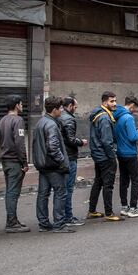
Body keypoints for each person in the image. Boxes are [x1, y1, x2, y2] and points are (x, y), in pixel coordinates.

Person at [33, 96, 74, 233]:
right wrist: (62, 161)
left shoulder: (41, 122)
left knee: (43, 194)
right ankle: (59, 224)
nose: (62, 111)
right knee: (60, 193)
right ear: (55, 109)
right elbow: (53, 147)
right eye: (60, 108)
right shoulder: (51, 124)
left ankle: (43, 223)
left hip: (42, 164)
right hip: (53, 165)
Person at [0, 95, 30, 233]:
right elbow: (19, 143)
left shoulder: (2, 120)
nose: (22, 106)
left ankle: (13, 220)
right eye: (21, 104)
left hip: (5, 160)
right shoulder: (18, 120)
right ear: (17, 105)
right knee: (13, 192)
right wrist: (24, 162)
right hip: (14, 161)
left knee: (10, 190)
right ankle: (11, 223)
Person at [88, 91, 122, 221]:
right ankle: (109, 213)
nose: (115, 104)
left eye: (115, 101)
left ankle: (92, 210)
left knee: (98, 182)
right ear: (104, 102)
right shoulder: (104, 118)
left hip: (98, 154)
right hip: (105, 156)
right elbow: (107, 141)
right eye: (112, 101)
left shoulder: (98, 114)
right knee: (108, 185)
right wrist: (112, 157)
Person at [114, 96, 138, 218]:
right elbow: (133, 137)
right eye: (136, 108)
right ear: (132, 105)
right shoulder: (128, 118)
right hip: (130, 153)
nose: (136, 111)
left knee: (124, 180)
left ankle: (124, 206)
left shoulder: (117, 116)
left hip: (120, 152)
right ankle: (133, 207)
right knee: (136, 180)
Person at [59, 96, 87, 226]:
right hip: (69, 157)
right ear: (69, 106)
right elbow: (70, 139)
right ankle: (68, 217)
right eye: (75, 107)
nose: (75, 109)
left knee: (63, 189)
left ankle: (64, 216)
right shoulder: (69, 119)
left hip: (62, 156)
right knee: (68, 189)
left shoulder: (59, 117)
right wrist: (81, 142)